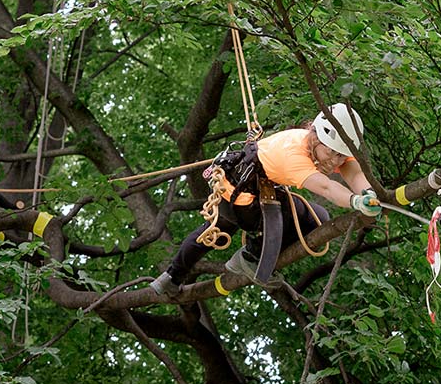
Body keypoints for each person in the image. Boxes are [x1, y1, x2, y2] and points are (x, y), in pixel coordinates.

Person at [150, 104, 381, 297]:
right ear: (316, 136)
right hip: (243, 201)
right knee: (309, 217)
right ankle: (250, 256)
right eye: (331, 153)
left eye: (340, 154)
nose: (334, 160)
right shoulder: (294, 155)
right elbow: (327, 188)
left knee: (214, 232)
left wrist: (367, 193)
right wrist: (354, 202)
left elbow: (354, 172)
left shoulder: (325, 142)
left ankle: (170, 279)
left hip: (245, 190)